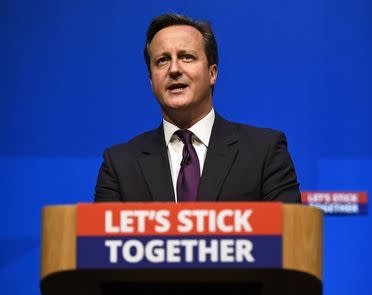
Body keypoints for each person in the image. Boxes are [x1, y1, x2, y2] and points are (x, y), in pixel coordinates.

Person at [94, 13, 301, 203]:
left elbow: (291, 237)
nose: (174, 69)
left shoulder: (263, 152)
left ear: (212, 73)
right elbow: (100, 242)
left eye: (187, 57)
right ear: (151, 80)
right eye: (162, 60)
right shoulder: (120, 165)